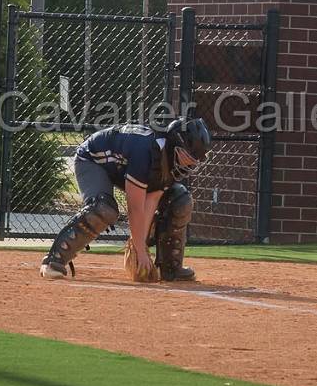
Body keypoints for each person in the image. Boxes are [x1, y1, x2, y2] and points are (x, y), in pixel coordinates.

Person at [41, 117, 212, 280]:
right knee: (103, 208)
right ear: (176, 144)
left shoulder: (170, 159)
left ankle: (170, 269)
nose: (190, 164)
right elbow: (135, 207)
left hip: (120, 167)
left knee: (179, 200)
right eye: (188, 157)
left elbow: (151, 200)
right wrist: (139, 249)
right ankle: (54, 261)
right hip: (92, 160)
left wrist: (140, 245)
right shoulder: (145, 150)